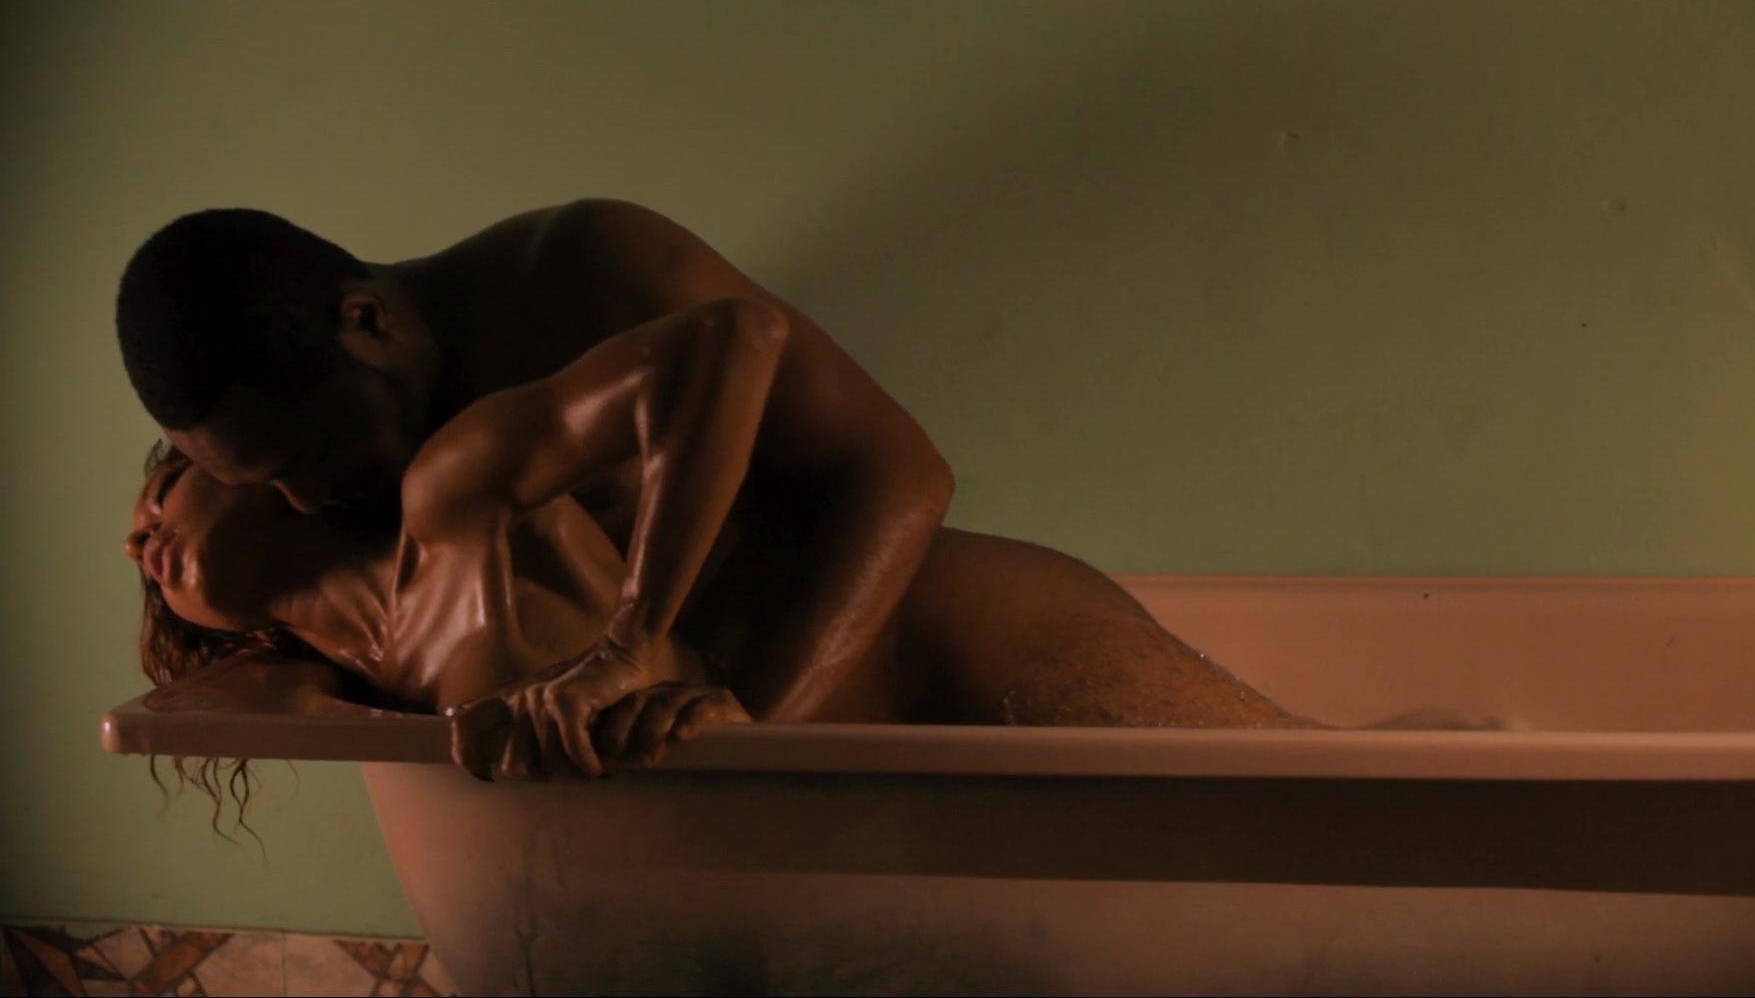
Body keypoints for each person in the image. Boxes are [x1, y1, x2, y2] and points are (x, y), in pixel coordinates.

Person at [125, 298, 1309, 780]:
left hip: (961, 640)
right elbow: (207, 709)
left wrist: (628, 641)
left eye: (162, 489)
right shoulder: (342, 679)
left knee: (1338, 809)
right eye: (128, 545)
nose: (138, 535)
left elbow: (723, 340)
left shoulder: (457, 498)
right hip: (895, 805)